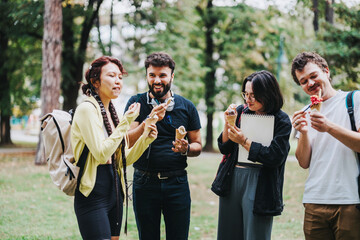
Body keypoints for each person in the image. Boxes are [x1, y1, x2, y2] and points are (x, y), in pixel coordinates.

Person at [71, 56, 158, 240]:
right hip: (93, 195)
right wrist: (126, 121)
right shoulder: (87, 109)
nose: (118, 80)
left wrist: (145, 139)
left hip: (115, 193)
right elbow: (102, 154)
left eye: (120, 76)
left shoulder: (111, 111)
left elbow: (122, 159)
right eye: (111, 75)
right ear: (95, 81)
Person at [124, 52, 202, 240]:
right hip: (144, 182)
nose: (157, 80)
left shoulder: (187, 106)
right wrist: (148, 121)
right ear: (147, 76)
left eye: (162, 75)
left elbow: (198, 144)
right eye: (152, 75)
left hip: (177, 183)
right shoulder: (136, 103)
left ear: (172, 77)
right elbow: (127, 140)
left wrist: (186, 149)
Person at [291, 52, 360, 240]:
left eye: (313, 76)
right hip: (314, 201)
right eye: (303, 81)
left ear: (326, 71)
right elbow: (304, 162)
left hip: (350, 201)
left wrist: (328, 127)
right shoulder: (305, 112)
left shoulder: (354, 100)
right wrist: (304, 132)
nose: (310, 84)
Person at [217, 70, 292, 240]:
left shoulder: (281, 120)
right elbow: (224, 148)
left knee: (256, 234)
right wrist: (228, 123)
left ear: (267, 93)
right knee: (227, 233)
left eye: (253, 95)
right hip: (233, 178)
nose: (248, 99)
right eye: (246, 94)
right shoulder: (241, 112)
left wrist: (245, 141)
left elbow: (275, 157)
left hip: (261, 181)